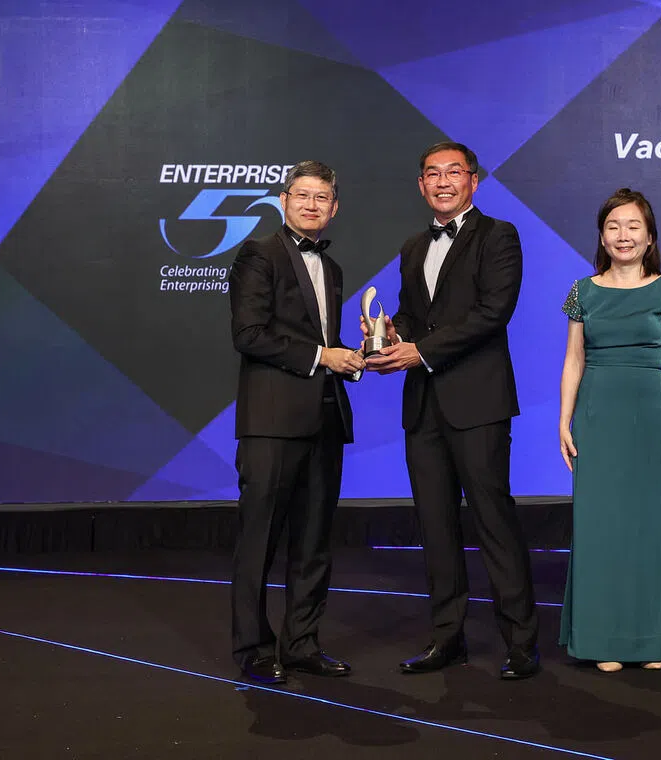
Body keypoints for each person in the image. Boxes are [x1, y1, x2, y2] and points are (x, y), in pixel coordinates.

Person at [362, 141, 540, 680]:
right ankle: (447, 638)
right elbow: (415, 317)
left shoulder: (499, 235)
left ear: (473, 181)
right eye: (432, 174)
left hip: (478, 402)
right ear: (421, 185)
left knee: (494, 522)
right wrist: (392, 335)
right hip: (424, 407)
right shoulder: (413, 245)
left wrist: (419, 351)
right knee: (436, 527)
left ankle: (521, 643)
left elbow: (493, 312)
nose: (443, 182)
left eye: (453, 172)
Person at [228, 160, 365, 685]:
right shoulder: (258, 254)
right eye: (302, 195)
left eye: (321, 197)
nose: (312, 205)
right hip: (271, 422)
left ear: (335, 208)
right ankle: (253, 648)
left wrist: (352, 358)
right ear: (283, 200)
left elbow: (322, 344)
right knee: (259, 540)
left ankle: (303, 643)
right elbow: (249, 334)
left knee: (314, 542)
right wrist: (324, 356)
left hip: (325, 419)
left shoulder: (333, 269)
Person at [557, 188, 661, 673]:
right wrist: (563, 421)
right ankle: (604, 638)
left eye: (634, 226)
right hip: (596, 417)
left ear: (649, 236)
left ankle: (654, 639)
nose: (624, 235)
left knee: (649, 528)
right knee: (599, 528)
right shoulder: (582, 291)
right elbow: (574, 360)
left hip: (649, 419)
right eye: (614, 226)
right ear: (602, 236)